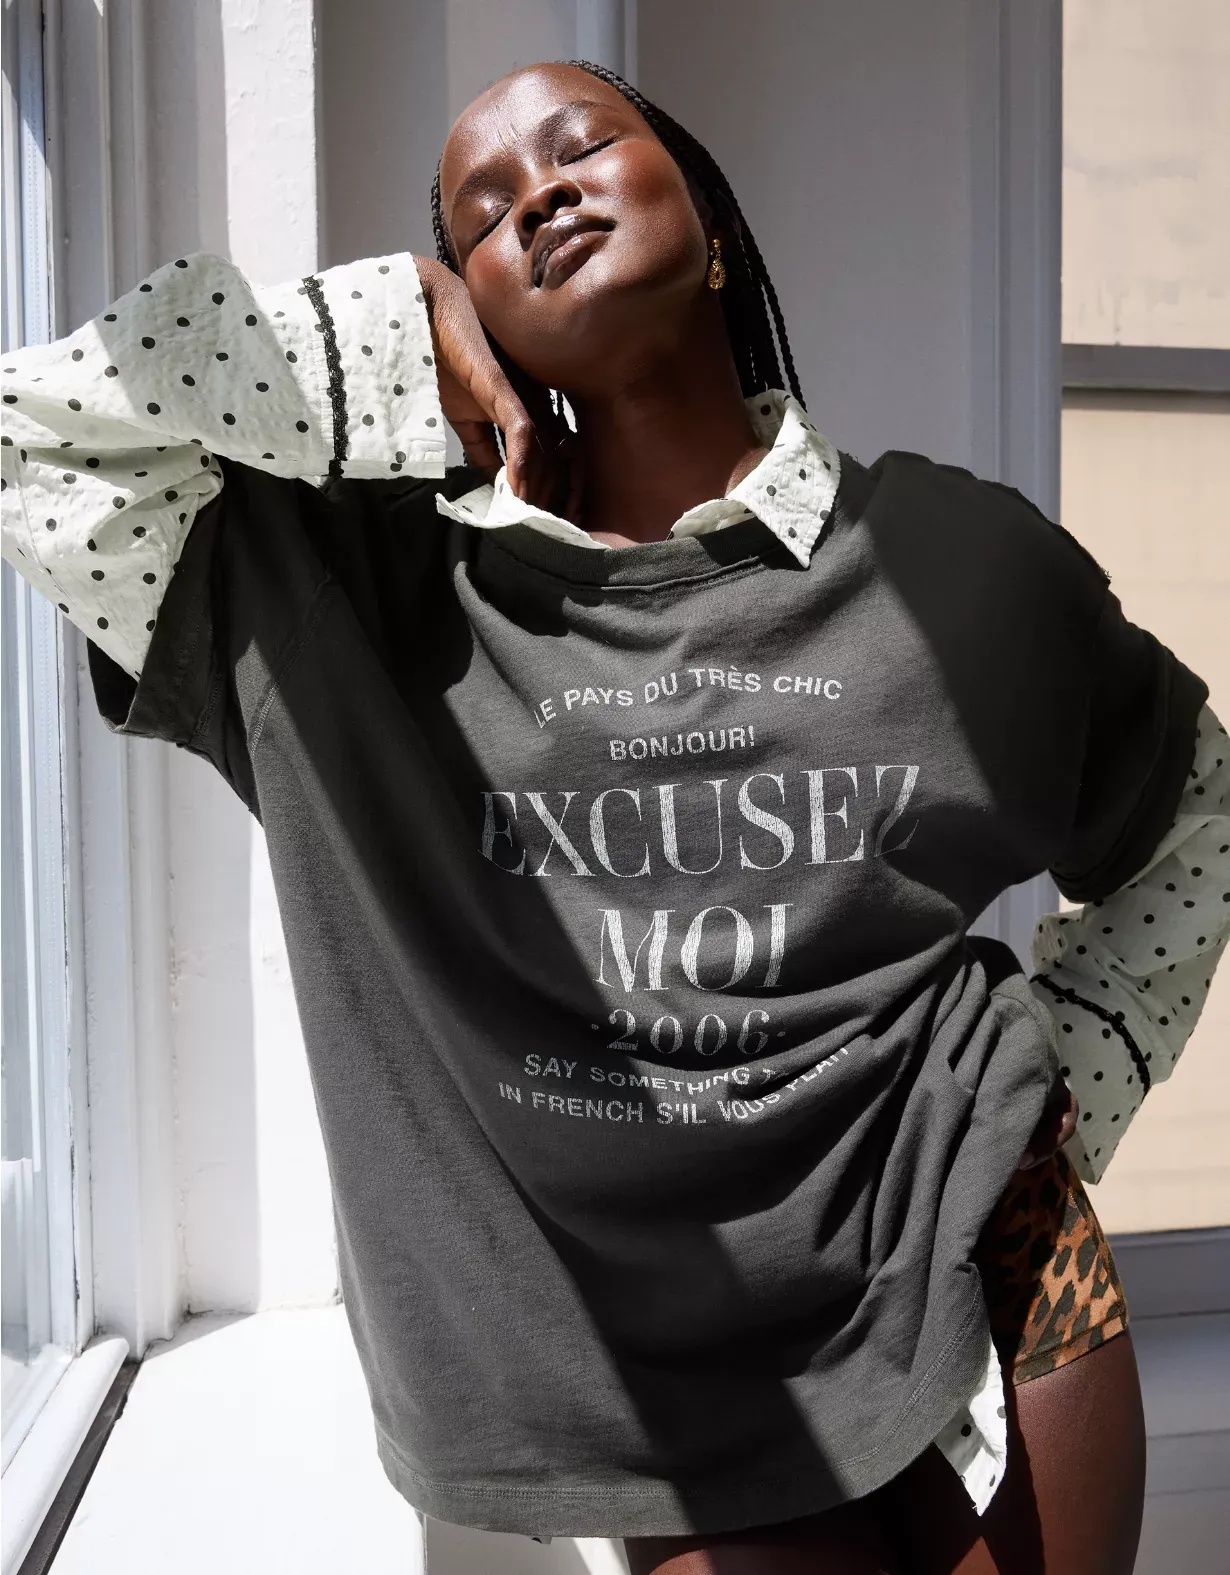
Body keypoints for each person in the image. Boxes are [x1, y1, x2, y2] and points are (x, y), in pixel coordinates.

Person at [2, 58, 1227, 1575]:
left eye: (580, 146)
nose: (541, 196)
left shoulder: (955, 567)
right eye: (482, 214)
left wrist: (1073, 1057)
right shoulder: (356, 597)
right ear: (470, 313)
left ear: (703, 217)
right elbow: (39, 440)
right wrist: (382, 331)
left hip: (986, 1275)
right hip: (629, 1396)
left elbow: (1198, 812)